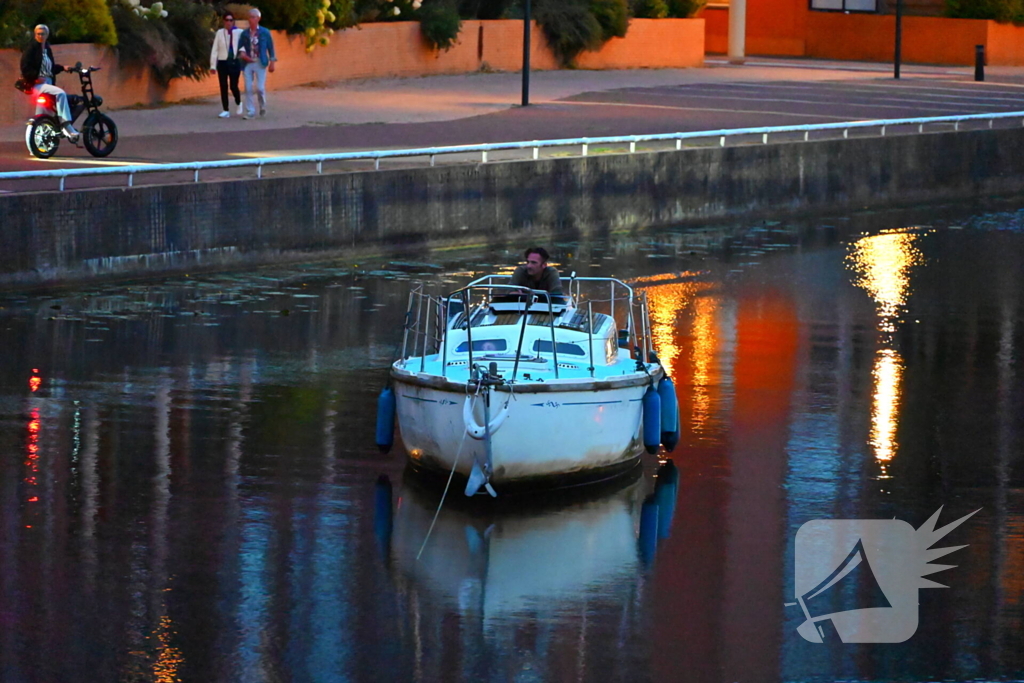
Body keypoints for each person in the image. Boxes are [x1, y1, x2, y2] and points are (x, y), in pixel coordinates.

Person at [20, 24, 78, 139]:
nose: (40, 36)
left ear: (47, 35)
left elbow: (50, 68)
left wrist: (63, 68)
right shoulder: (31, 49)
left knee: (43, 113)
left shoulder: (46, 49)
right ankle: (66, 125)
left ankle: (38, 140)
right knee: (60, 93)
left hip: (48, 82)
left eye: (43, 34)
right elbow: (24, 67)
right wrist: (34, 78)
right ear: (35, 35)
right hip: (38, 84)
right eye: (38, 34)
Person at [236, 8, 276, 120]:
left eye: (253, 17)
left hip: (260, 62)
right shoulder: (245, 33)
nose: (251, 19)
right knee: (248, 87)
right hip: (248, 63)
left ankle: (262, 106)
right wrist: (242, 54)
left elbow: (271, 47)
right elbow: (240, 47)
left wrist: (272, 62)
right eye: (250, 17)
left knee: (260, 88)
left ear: (258, 19)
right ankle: (250, 111)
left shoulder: (264, 32)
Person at [210, 12, 243, 118]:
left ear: (233, 21)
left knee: (233, 86)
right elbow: (215, 49)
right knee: (223, 86)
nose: (229, 22)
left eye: (231, 20)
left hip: (234, 62)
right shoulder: (220, 33)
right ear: (224, 21)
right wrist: (213, 65)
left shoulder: (239, 32)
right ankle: (225, 110)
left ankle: (239, 102)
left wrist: (241, 54)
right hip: (223, 62)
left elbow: (244, 45)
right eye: (227, 20)